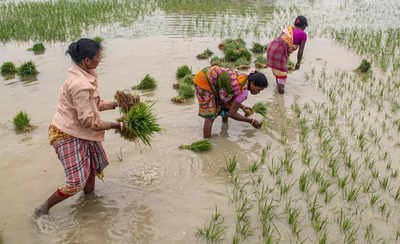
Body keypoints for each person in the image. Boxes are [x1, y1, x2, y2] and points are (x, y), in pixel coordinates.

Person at [34, 38, 122, 216]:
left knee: (90, 171)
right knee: (75, 182)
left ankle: (89, 205)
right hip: (66, 134)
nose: (100, 58)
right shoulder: (79, 85)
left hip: (80, 131)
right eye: (98, 56)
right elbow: (90, 122)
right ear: (86, 61)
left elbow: (94, 104)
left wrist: (117, 103)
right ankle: (44, 207)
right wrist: (117, 125)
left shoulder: (85, 74)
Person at [194, 65, 268, 138]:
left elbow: (232, 98)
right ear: (252, 83)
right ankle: (207, 141)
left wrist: (243, 107)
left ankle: (224, 130)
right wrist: (250, 121)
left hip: (209, 75)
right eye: (258, 89)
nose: (258, 92)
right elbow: (231, 113)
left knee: (225, 106)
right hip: (204, 82)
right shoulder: (243, 93)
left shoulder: (244, 78)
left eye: (260, 91)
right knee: (210, 116)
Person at [266, 15, 308, 94]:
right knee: (282, 75)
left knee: (278, 72)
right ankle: (280, 100)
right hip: (279, 52)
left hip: (271, 49)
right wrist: (298, 63)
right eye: (305, 27)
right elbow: (300, 51)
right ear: (303, 26)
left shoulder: (288, 29)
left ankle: (278, 89)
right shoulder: (303, 34)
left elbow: (282, 42)